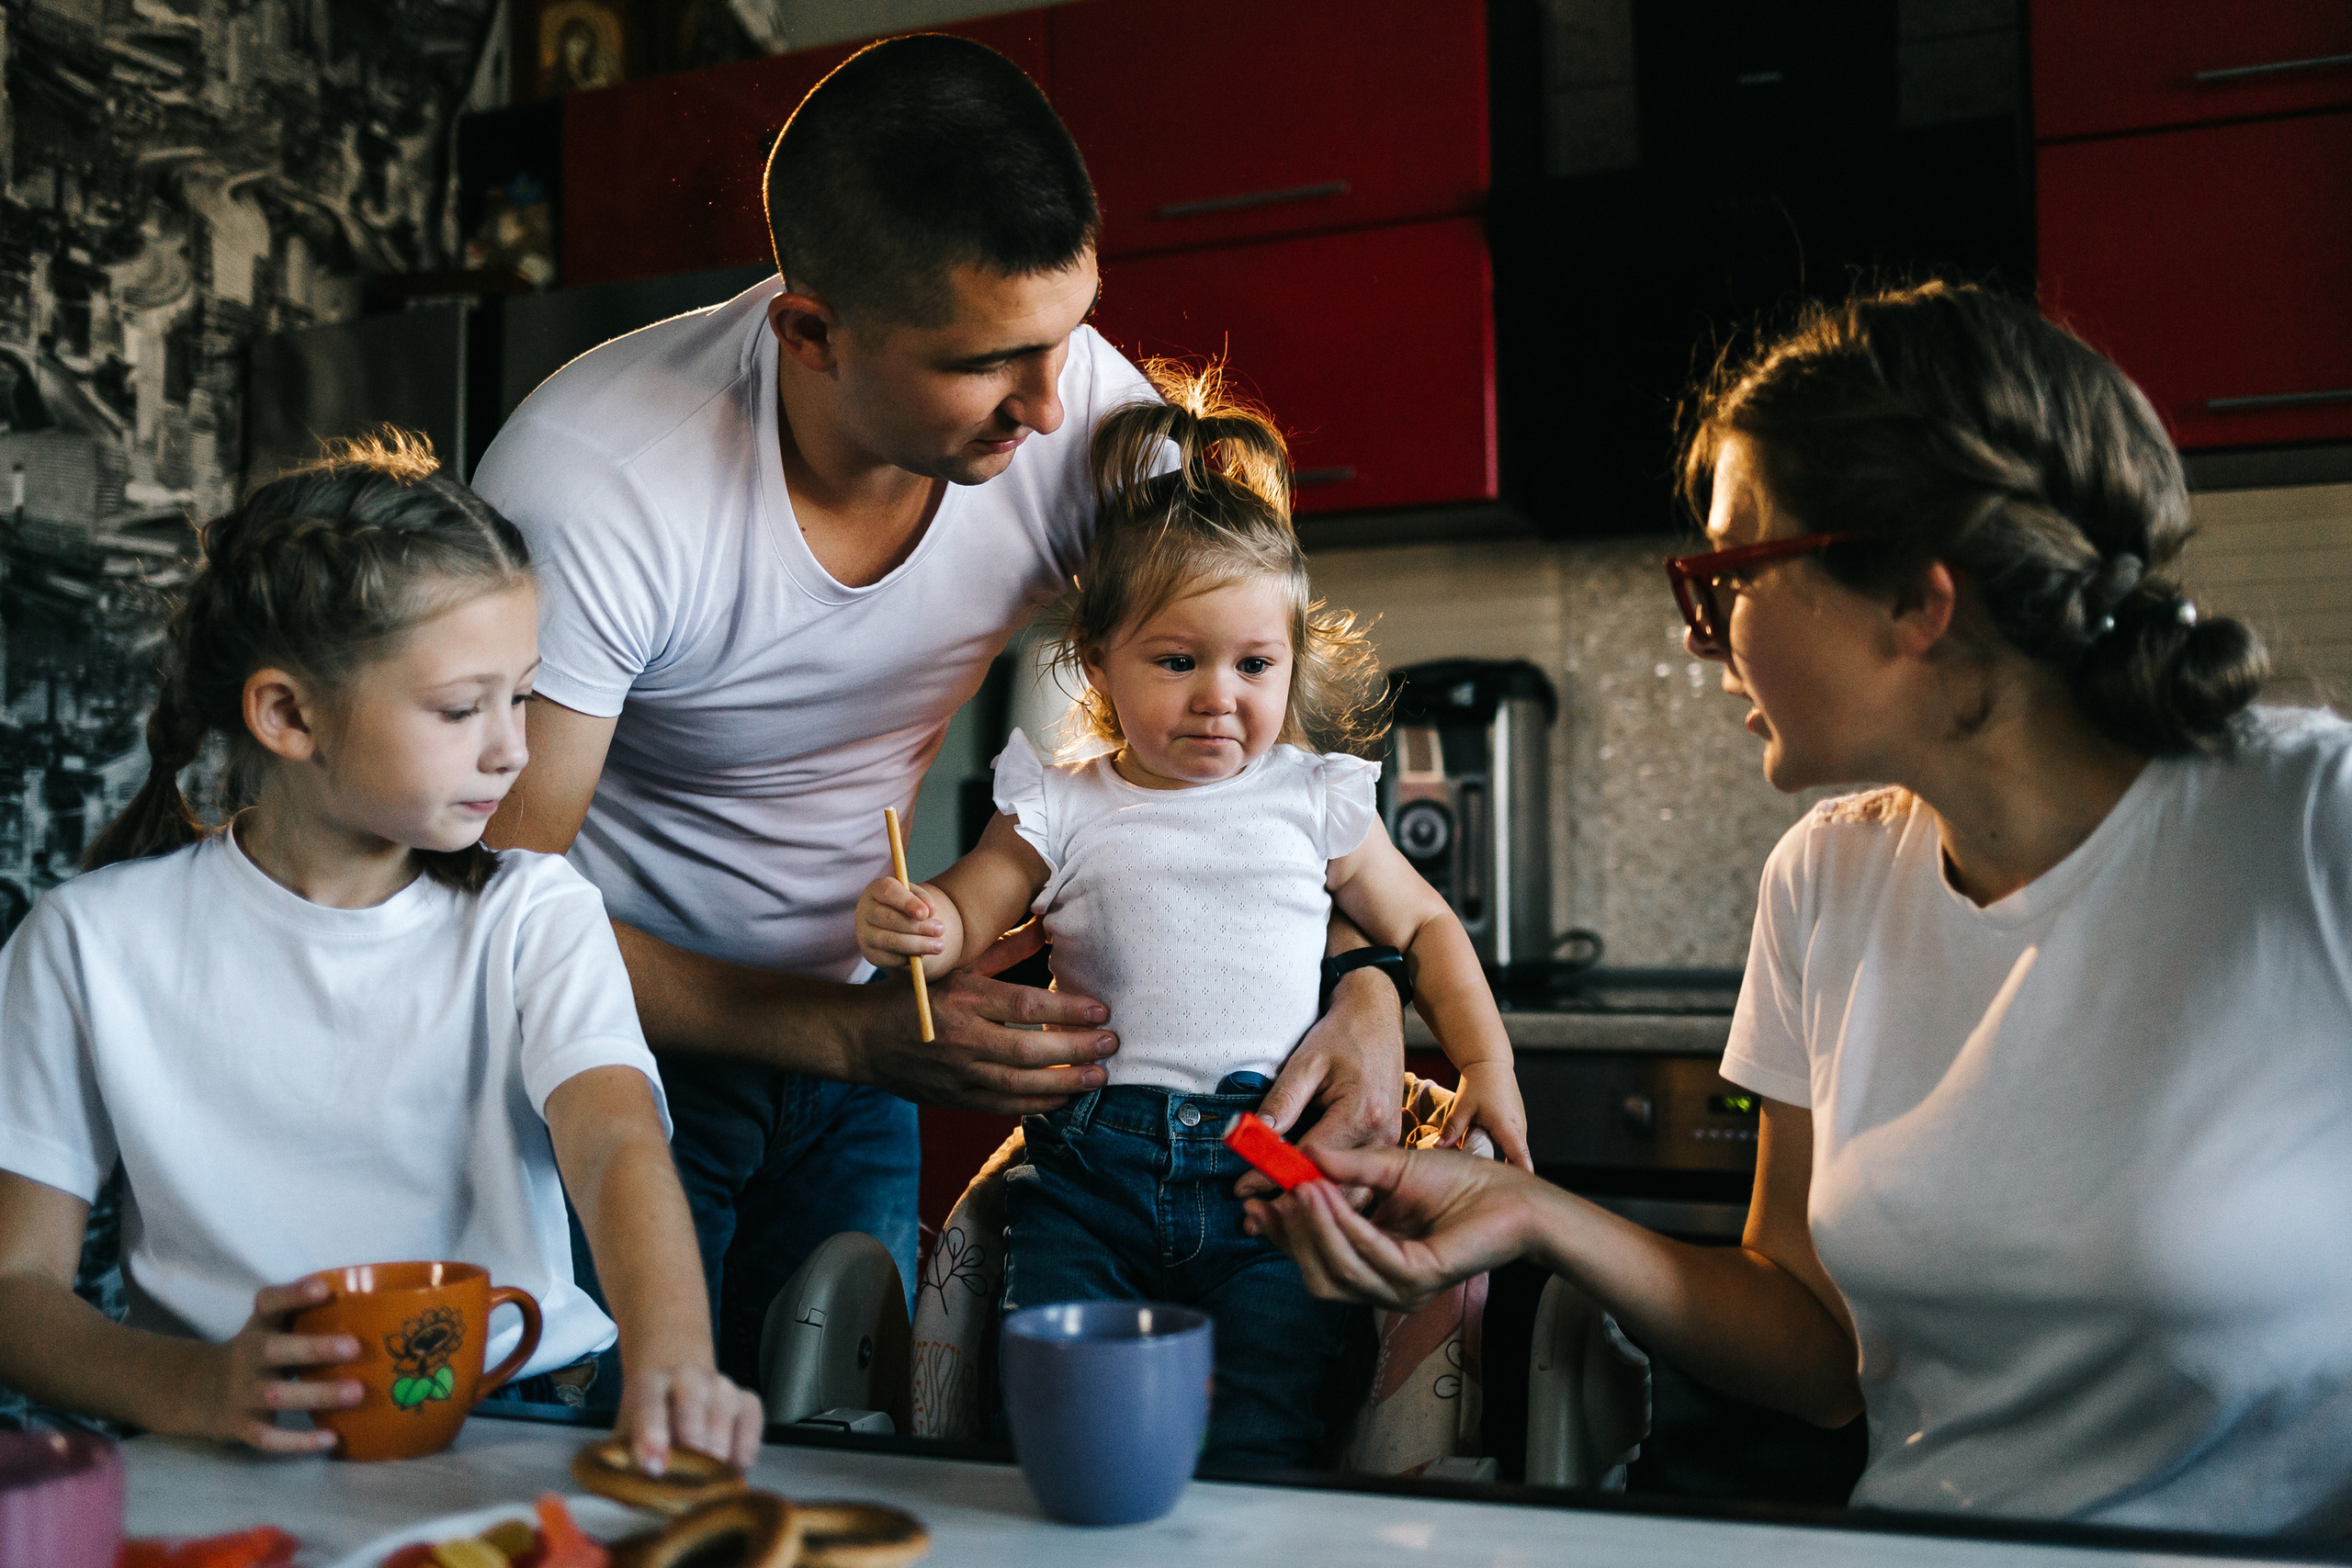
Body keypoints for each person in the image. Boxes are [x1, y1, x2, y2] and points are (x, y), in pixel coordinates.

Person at [1250, 282, 2352, 1532]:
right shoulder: (1827, 877)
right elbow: (1819, 1350)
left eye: (1727, 573)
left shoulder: (2308, 826)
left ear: (1918, 603)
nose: (1700, 636)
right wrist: (1539, 1214)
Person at [473, 34, 1406, 1383]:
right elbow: (491, 902)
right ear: (812, 332)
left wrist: (1362, 982)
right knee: (624, 1461)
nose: (1050, 400)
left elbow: (1233, 699)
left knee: (841, 1457)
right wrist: (850, 1030)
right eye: (989, 362)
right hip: (616, 1049)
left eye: (1070, 330)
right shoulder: (600, 482)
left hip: (867, 1052)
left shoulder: (1079, 412)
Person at [0, 435, 762, 1469]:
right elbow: (14, 1287)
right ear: (287, 713)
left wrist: (675, 1358)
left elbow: (615, 1142)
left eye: (523, 695)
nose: (512, 747)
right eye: (461, 708)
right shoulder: (86, 945)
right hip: (225, 1443)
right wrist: (190, 1386)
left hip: (510, 1421)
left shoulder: (533, 913)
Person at [855, 371, 1531, 1465]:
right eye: (1178, 662)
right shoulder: (1059, 800)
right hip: (1083, 1184)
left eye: (1255, 664)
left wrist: (1486, 1070)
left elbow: (1428, 932)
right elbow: (972, 907)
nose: (1221, 695)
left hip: (1272, 1173)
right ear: (1096, 663)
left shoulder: (1312, 797)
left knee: (1265, 1434)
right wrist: (923, 922)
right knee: (1066, 1436)